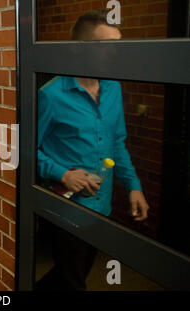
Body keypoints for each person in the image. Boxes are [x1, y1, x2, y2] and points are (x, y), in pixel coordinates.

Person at [35, 9, 150, 290]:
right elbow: (27, 150)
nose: (114, 53)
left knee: (76, 272)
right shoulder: (51, 95)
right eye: (106, 46)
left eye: (118, 46)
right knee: (74, 281)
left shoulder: (114, 89)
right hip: (67, 207)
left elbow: (117, 143)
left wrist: (134, 186)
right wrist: (62, 173)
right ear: (79, 49)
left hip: (102, 205)